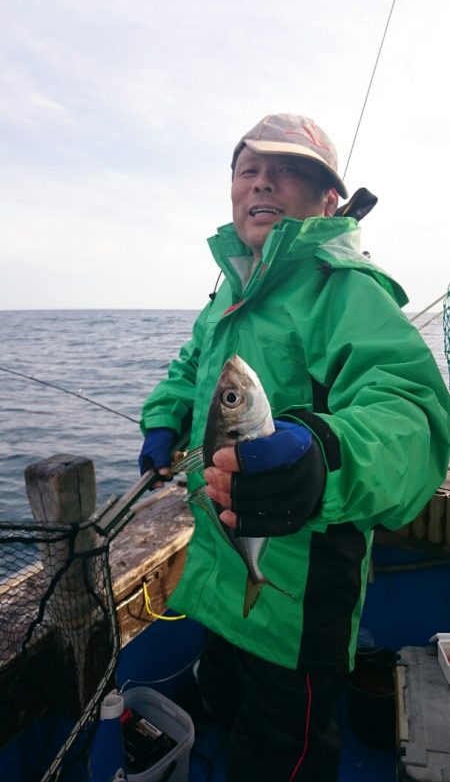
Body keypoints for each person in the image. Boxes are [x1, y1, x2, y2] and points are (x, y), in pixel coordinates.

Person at [138, 113, 450, 782]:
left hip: (298, 606)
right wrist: (163, 420)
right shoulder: (231, 290)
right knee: (225, 705)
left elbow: (412, 415)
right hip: (219, 576)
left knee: (283, 755)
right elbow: (192, 368)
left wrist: (324, 455)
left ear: (328, 199)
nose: (261, 182)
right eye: (248, 170)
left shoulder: (346, 289)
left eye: (287, 170)